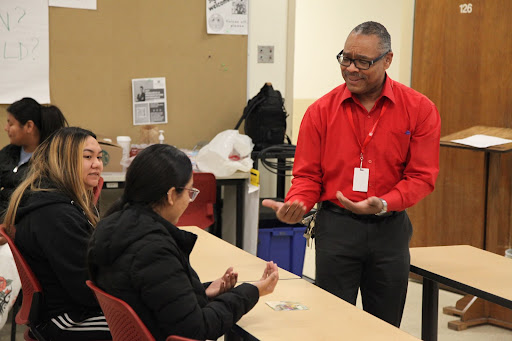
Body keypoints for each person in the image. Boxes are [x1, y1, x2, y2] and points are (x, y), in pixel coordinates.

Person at [263, 21, 441, 327]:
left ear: (387, 60)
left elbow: (422, 176)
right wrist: (298, 202)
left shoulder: (419, 109)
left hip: (390, 229)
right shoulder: (321, 111)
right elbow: (307, 175)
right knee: (332, 324)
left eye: (363, 62)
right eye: (345, 58)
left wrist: (384, 203)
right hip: (337, 228)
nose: (351, 69)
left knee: (384, 327)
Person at [88, 144, 279, 341]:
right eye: (189, 191)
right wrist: (252, 291)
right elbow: (198, 329)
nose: (189, 200)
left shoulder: (111, 229)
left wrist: (202, 291)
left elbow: (155, 295)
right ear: (171, 195)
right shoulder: (152, 250)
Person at [3, 127, 111, 340]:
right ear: (63, 161)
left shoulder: (64, 202)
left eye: (99, 157)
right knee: (149, 324)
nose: (97, 164)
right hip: (65, 318)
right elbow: (86, 289)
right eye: (88, 157)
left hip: (73, 306)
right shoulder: (55, 215)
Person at [0, 97, 68, 215]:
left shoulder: (50, 162)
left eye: (11, 123)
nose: (6, 128)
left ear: (29, 126)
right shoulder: (9, 152)